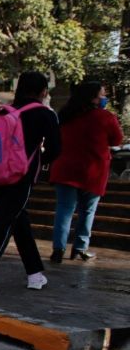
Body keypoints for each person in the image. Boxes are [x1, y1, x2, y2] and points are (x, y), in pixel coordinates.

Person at [0, 71, 61, 294]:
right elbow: (56, 149)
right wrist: (39, 160)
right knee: (6, 222)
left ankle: (35, 274)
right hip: (21, 175)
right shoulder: (45, 114)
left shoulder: (6, 110)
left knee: (18, 221)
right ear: (43, 91)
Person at [49, 81, 124, 263]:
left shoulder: (65, 116)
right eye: (102, 95)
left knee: (64, 210)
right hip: (92, 170)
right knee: (87, 211)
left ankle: (58, 250)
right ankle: (80, 248)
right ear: (93, 98)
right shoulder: (105, 117)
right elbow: (117, 139)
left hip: (65, 168)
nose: (104, 98)